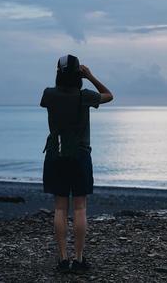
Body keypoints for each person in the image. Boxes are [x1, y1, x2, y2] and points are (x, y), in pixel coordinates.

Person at [40, 54, 113, 273]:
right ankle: (79, 260)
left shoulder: (49, 95)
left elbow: (54, 97)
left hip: (56, 154)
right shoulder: (85, 96)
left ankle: (63, 260)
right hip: (80, 155)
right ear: (78, 74)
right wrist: (90, 76)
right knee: (80, 208)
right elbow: (109, 95)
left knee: (60, 208)